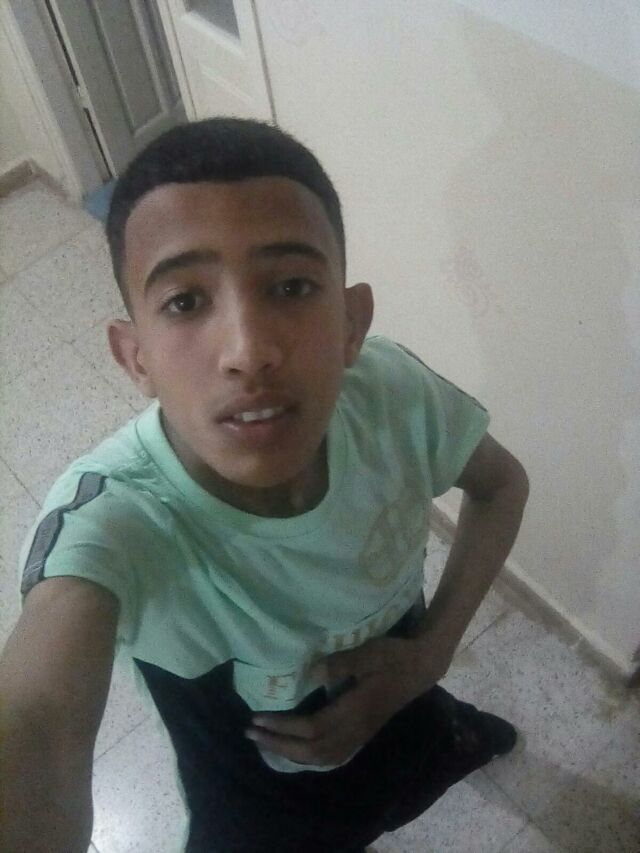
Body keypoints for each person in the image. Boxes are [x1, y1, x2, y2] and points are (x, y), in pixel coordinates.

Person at [0, 117, 530, 853]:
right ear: (136, 356)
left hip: (406, 706)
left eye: (290, 285)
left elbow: (501, 487)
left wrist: (430, 655)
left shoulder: (389, 396)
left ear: (351, 323)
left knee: (435, 750)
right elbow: (35, 720)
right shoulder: (115, 519)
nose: (249, 352)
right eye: (185, 301)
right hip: (260, 816)